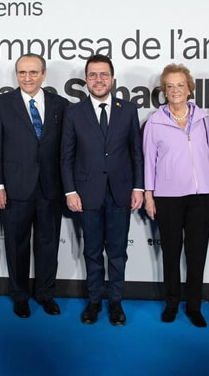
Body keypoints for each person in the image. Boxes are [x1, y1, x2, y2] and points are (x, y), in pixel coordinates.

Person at [61, 54, 144, 326]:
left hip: (120, 192)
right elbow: (67, 156)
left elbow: (136, 153)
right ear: (86, 80)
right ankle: (95, 300)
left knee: (118, 251)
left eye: (104, 74)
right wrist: (70, 191)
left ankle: (116, 302)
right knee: (93, 251)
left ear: (112, 78)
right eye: (93, 75)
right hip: (87, 193)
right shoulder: (74, 112)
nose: (99, 80)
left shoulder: (128, 110)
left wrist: (138, 187)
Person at [0, 53, 70, 318]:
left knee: (48, 245)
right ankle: (20, 295)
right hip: (14, 188)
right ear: (16, 75)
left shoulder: (61, 105)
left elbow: (66, 150)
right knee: (16, 245)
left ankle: (46, 293)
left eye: (33, 72)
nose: (28, 78)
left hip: (50, 188)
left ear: (43, 74)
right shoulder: (1, 104)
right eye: (22, 73)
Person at [143, 63, 209, 328]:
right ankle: (172, 303)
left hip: (201, 195)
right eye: (170, 86)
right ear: (163, 91)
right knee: (171, 252)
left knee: (197, 252)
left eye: (180, 85)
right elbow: (148, 161)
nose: (175, 90)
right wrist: (149, 195)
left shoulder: (202, 119)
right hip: (167, 197)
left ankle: (194, 306)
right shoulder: (154, 122)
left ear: (190, 88)